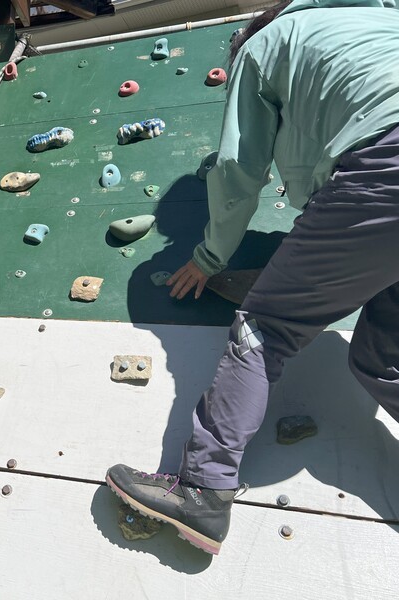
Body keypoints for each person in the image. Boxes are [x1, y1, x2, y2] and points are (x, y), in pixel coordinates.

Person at [106, 0, 399, 555]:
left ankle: (202, 488)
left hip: (386, 169)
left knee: (265, 328)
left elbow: (240, 167)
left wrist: (210, 257)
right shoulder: (377, 14)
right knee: (383, 357)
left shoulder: (262, 47)